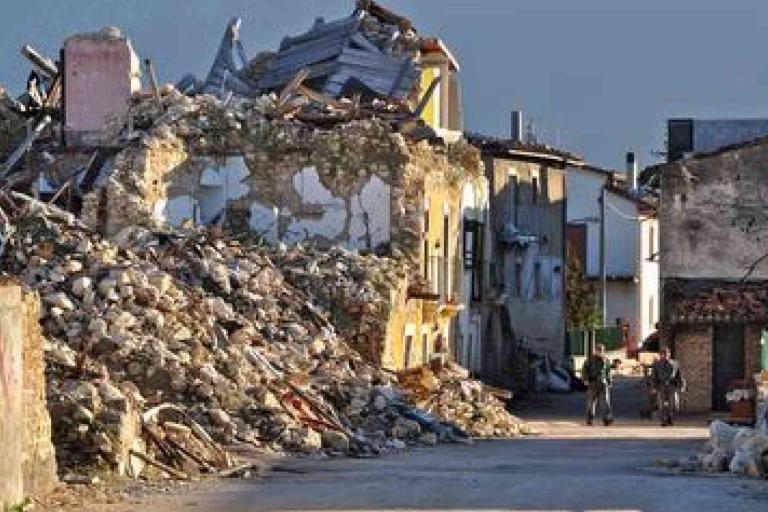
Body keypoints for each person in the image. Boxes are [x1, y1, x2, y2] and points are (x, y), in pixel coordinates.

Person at [650, 347, 685, 426]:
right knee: (661, 404)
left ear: (669, 354)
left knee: (673, 404)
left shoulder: (675, 363)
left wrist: (682, 385)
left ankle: (670, 418)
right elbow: (653, 377)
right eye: (663, 354)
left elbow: (679, 375)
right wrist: (653, 387)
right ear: (660, 355)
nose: (665, 356)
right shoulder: (657, 365)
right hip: (661, 386)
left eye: (666, 354)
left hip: (671, 385)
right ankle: (663, 420)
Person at [582, 343, 614, 426]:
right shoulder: (589, 360)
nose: (600, 352)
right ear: (595, 351)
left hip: (603, 384)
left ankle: (607, 419)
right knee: (591, 403)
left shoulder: (606, 360)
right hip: (592, 383)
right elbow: (584, 370)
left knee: (605, 402)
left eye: (602, 351)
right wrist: (585, 379)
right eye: (598, 350)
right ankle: (590, 418)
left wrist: (609, 381)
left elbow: (608, 372)